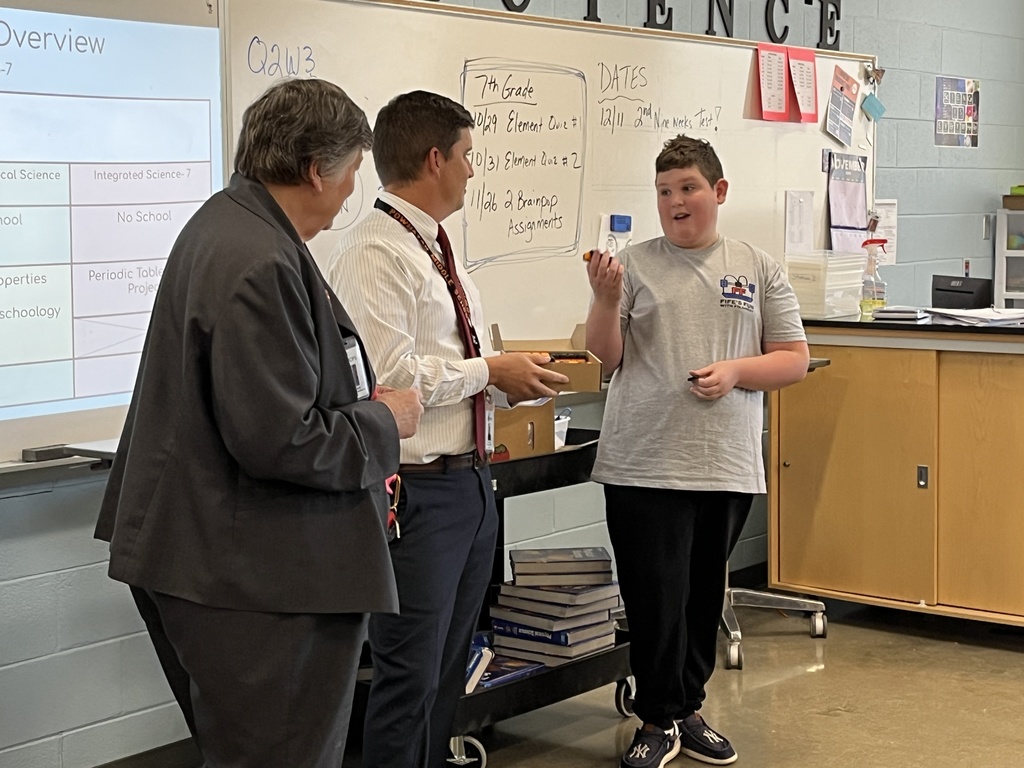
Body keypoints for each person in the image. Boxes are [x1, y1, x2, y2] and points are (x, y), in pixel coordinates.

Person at [94, 78, 423, 768]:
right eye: (352, 172)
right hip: (256, 578)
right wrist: (384, 420)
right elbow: (283, 439)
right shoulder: (260, 259)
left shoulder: (228, 224)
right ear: (315, 169)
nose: (350, 190)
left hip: (216, 559)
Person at [326, 89, 568, 768]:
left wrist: (503, 379)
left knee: (445, 676)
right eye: (467, 156)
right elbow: (393, 380)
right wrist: (488, 370)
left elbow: (448, 361)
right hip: (416, 494)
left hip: (468, 484)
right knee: (409, 676)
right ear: (434, 159)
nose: (472, 171)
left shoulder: (434, 246)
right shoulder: (376, 251)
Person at [585, 134, 809, 768]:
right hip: (643, 459)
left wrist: (737, 372)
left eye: (687, 189)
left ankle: (688, 707)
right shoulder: (632, 266)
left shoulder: (757, 266)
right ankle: (656, 719)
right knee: (655, 594)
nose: (675, 202)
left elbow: (791, 360)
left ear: (719, 192)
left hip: (724, 461)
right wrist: (605, 300)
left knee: (703, 594)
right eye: (664, 192)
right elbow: (608, 357)